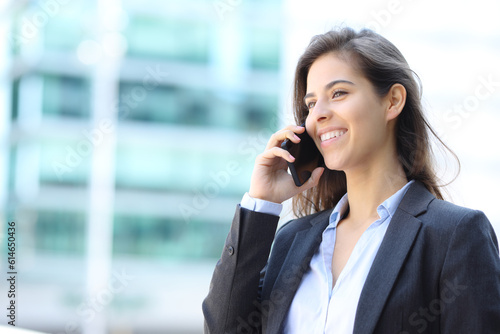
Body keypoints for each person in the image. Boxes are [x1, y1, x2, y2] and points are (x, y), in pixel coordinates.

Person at [202, 27, 500, 334]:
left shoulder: (454, 236)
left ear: (393, 101)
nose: (318, 114)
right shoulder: (294, 241)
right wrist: (261, 204)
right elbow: (224, 328)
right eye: (311, 104)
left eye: (338, 93)